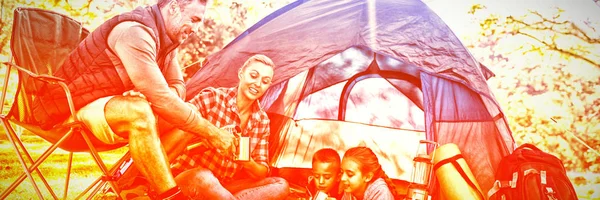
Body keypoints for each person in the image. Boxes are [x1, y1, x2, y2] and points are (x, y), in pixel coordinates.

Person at [30, 0, 236, 199]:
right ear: (173, 7)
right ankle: (170, 196)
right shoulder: (134, 32)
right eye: (194, 19)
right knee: (139, 111)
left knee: (184, 120)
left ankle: (133, 188)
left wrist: (151, 95)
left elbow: (178, 88)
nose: (196, 29)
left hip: (104, 108)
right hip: (66, 112)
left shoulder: (167, 43)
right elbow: (163, 99)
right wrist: (212, 132)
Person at [169, 54, 289, 199]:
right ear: (241, 74)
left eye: (265, 81)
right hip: (189, 177)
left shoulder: (262, 121)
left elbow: (262, 172)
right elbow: (175, 128)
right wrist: (209, 137)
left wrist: (245, 160)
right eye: (253, 75)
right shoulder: (213, 98)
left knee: (280, 184)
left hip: (223, 185)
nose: (257, 84)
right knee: (204, 177)